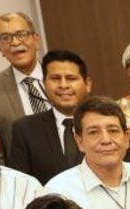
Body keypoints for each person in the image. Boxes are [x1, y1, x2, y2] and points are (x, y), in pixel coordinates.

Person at [7, 50, 91, 185]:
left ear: (87, 84)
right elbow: (20, 187)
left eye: (71, 78)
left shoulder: (106, 124)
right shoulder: (25, 130)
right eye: (55, 78)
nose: (63, 85)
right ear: (44, 84)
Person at [0, 11, 48, 156]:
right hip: (21, 174)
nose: (15, 42)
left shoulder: (59, 77)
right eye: (5, 38)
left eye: (21, 34)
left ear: (36, 40)